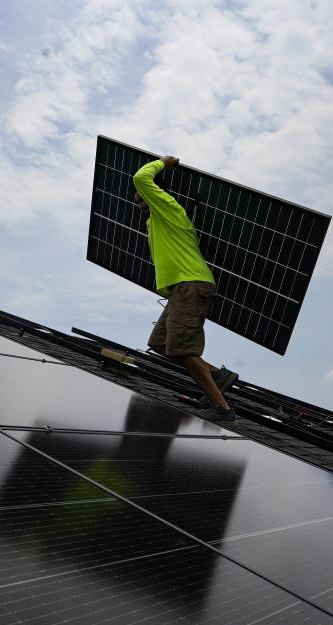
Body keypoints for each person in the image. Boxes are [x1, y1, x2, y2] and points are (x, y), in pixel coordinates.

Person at [133, 155, 238, 424]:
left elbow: (141, 178)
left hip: (191, 285)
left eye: (142, 198)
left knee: (181, 350)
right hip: (182, 289)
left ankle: (223, 409)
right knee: (159, 343)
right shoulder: (156, 221)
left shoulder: (168, 208)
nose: (139, 201)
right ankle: (216, 375)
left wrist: (162, 163)